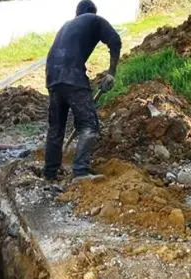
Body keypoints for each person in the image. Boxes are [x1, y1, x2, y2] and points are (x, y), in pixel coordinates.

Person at [43, 0, 122, 182]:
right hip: (72, 76)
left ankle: (50, 174)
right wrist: (112, 73)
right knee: (89, 125)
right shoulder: (95, 19)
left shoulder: (66, 26)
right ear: (92, 11)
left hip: (52, 77)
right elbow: (115, 41)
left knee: (56, 128)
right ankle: (80, 171)